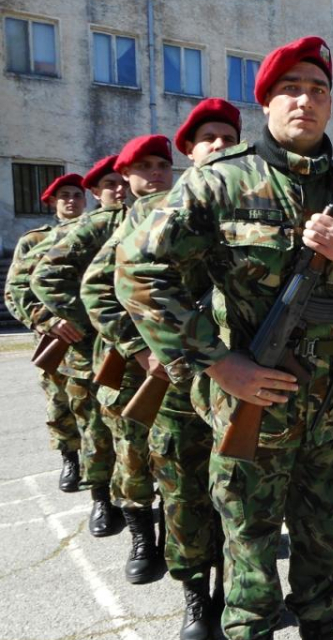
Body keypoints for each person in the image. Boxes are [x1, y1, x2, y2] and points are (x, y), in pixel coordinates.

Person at [114, 36, 333, 640]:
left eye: (319, 90)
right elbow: (137, 273)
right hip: (252, 402)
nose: (306, 100)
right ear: (266, 103)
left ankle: (320, 624)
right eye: (290, 89)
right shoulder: (219, 183)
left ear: (331, 104)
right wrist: (219, 364)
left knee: (324, 535)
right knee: (248, 548)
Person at [83, 97, 241, 638]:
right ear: (191, 153)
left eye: (228, 136)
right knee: (182, 489)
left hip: (242, 376)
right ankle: (197, 597)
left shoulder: (257, 204)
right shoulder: (155, 211)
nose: (220, 145)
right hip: (178, 380)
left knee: (241, 489)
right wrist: (145, 347)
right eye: (208, 139)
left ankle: (238, 594)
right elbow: (99, 289)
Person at [35, 135, 174, 580]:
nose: (155, 175)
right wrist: (87, 325)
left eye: (162, 166)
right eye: (144, 167)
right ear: (126, 178)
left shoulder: (184, 215)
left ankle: (176, 540)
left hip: (178, 357)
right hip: (124, 359)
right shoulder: (103, 227)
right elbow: (49, 276)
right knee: (127, 449)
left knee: (177, 455)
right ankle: (140, 538)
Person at [4, 174, 88, 493]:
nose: (71, 200)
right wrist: (47, 321)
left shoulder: (99, 234)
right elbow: (16, 289)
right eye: (64, 195)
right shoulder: (34, 240)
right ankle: (70, 458)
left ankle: (104, 472)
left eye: (77, 195)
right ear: (52, 202)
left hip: (95, 336)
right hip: (55, 337)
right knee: (59, 402)